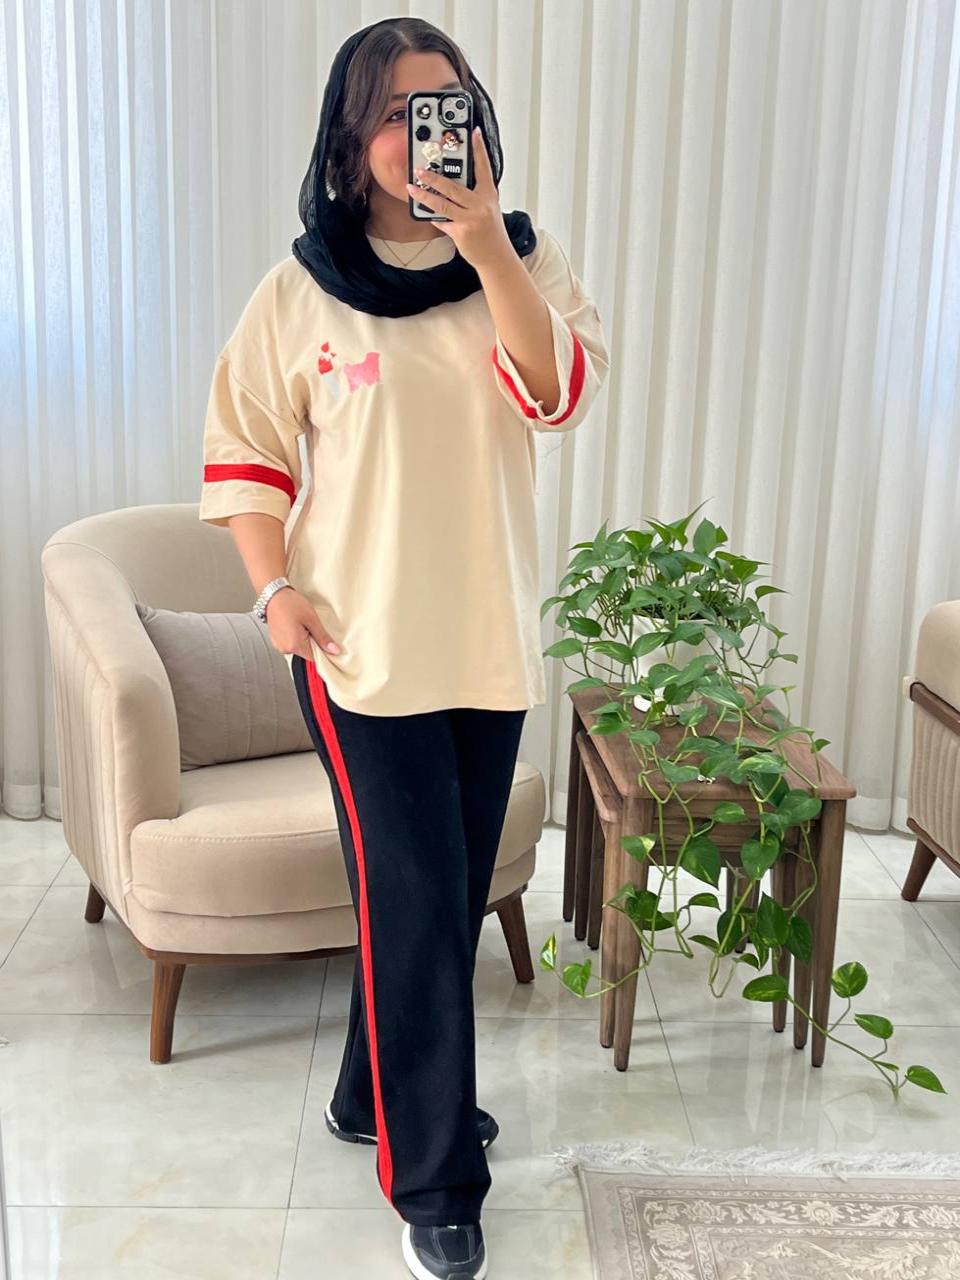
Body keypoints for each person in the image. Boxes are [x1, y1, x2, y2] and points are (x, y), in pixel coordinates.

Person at [198, 16, 609, 1280]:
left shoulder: (520, 260)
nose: (426, 131)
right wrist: (274, 593)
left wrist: (486, 245)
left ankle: (365, 1093)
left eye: (448, 104)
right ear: (350, 139)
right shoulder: (302, 288)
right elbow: (245, 451)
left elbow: (558, 394)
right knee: (423, 901)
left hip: (484, 643)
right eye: (397, 111)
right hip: (357, 654)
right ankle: (436, 1177)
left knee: (440, 888)